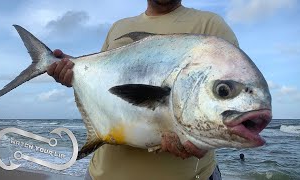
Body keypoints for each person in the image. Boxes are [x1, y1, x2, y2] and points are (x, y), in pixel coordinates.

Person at [47, 0, 239, 179]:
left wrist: (206, 139)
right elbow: (102, 77)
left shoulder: (211, 25)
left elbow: (230, 102)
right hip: (104, 174)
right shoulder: (119, 27)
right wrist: (72, 71)